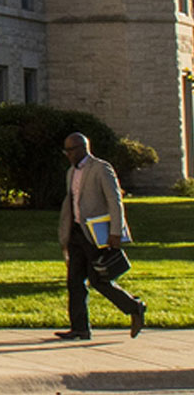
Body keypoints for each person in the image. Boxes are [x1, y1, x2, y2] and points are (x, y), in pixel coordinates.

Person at [54, 132, 146, 340]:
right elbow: (71, 203)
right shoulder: (71, 172)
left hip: (96, 234)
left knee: (99, 280)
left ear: (83, 148)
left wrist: (116, 232)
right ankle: (80, 329)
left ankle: (135, 307)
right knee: (74, 281)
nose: (68, 155)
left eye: (71, 150)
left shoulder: (101, 168)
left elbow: (115, 201)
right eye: (66, 151)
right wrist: (65, 234)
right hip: (76, 233)